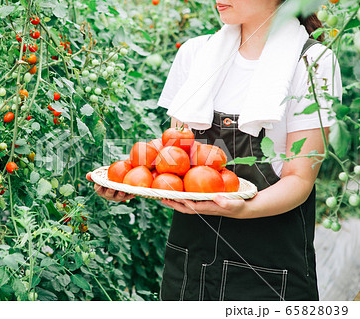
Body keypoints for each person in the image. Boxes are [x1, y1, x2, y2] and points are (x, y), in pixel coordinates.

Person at [86, 0, 342, 301]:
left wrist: (245, 207)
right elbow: (176, 153)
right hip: (189, 262)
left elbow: (299, 179)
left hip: (268, 269)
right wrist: (136, 180)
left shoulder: (313, 62)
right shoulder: (196, 54)